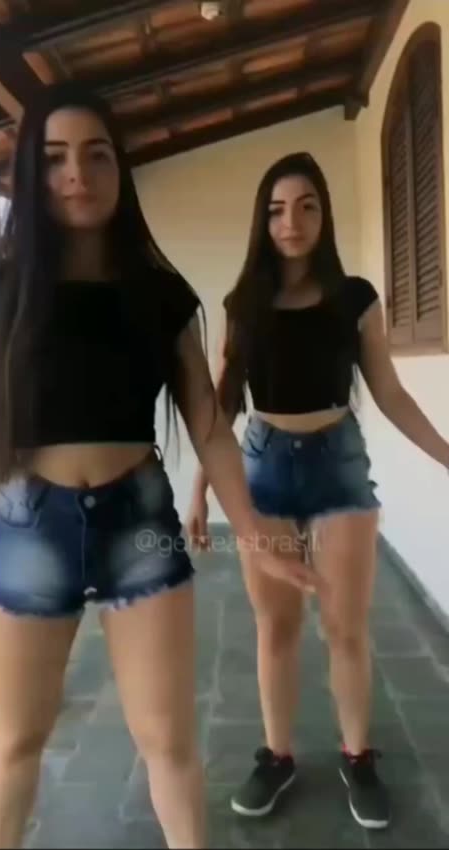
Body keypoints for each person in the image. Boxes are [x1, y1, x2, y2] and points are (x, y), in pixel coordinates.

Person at [0, 89, 318, 850]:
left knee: (168, 741)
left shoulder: (158, 293)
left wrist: (252, 532)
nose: (78, 173)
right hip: (30, 526)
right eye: (55, 158)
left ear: (119, 170)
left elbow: (209, 425)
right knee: (16, 742)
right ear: (29, 173)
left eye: (97, 155)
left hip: (140, 524)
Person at [187, 151, 449, 831]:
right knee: (276, 626)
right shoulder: (244, 303)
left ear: (324, 215)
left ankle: (358, 758)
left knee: (344, 627)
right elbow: (222, 405)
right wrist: (199, 494)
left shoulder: (356, 298)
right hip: (264, 468)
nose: (291, 221)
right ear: (263, 220)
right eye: (277, 209)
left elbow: (389, 392)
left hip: (339, 465)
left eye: (306, 206)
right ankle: (277, 757)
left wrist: (447, 456)